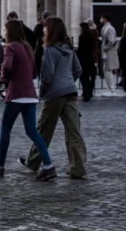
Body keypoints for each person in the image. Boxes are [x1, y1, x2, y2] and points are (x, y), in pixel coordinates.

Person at [0, 17, 55, 179]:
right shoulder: (27, 47)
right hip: (30, 95)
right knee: (33, 132)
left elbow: (7, 65)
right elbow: (34, 71)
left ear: (10, 31)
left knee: (5, 130)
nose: (3, 32)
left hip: (16, 95)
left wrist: (3, 77)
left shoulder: (10, 47)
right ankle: (48, 164)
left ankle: (0, 166)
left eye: (5, 29)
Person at [22, 17, 87, 179]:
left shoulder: (50, 49)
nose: (43, 30)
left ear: (51, 30)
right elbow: (78, 69)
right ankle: (78, 168)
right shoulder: (69, 48)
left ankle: (33, 161)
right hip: (70, 92)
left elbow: (47, 75)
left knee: (44, 129)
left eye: (45, 28)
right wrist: (68, 81)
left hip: (54, 95)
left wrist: (42, 92)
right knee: (74, 131)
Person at [76, 20, 100, 101]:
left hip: (83, 59)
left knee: (83, 77)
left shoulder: (81, 37)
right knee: (91, 76)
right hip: (91, 58)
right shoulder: (92, 37)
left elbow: (80, 49)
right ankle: (89, 91)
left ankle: (86, 92)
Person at [99, 15, 118, 88]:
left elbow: (111, 41)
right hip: (106, 52)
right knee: (106, 70)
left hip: (108, 52)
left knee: (108, 70)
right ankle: (110, 88)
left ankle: (112, 89)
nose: (100, 19)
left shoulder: (109, 28)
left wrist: (105, 48)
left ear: (105, 19)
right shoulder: (106, 27)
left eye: (102, 18)